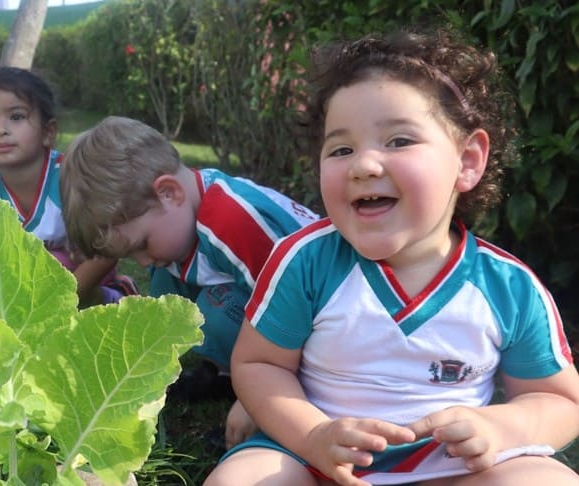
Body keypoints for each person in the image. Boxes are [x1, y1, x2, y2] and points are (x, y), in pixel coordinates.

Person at [205, 29, 579, 486]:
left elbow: (560, 400)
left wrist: (501, 427)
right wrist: (314, 434)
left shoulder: (509, 288)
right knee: (243, 479)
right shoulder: (306, 262)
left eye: (399, 141)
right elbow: (259, 364)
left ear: (467, 160)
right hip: (316, 462)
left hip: (449, 470)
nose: (364, 164)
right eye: (341, 149)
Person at [59, 115, 319, 449]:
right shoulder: (183, 220)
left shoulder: (231, 220)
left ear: (169, 193)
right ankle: (223, 376)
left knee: (218, 314)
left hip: (314, 316)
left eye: (141, 245)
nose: (141, 260)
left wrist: (262, 398)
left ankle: (268, 391)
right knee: (166, 286)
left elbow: (293, 307)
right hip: (277, 303)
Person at [0, 67, 138, 307]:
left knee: (56, 262)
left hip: (85, 281)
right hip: (30, 299)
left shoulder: (73, 178)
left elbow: (113, 243)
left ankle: (115, 295)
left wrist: (62, 300)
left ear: (48, 132)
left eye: (16, 117)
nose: (0, 130)